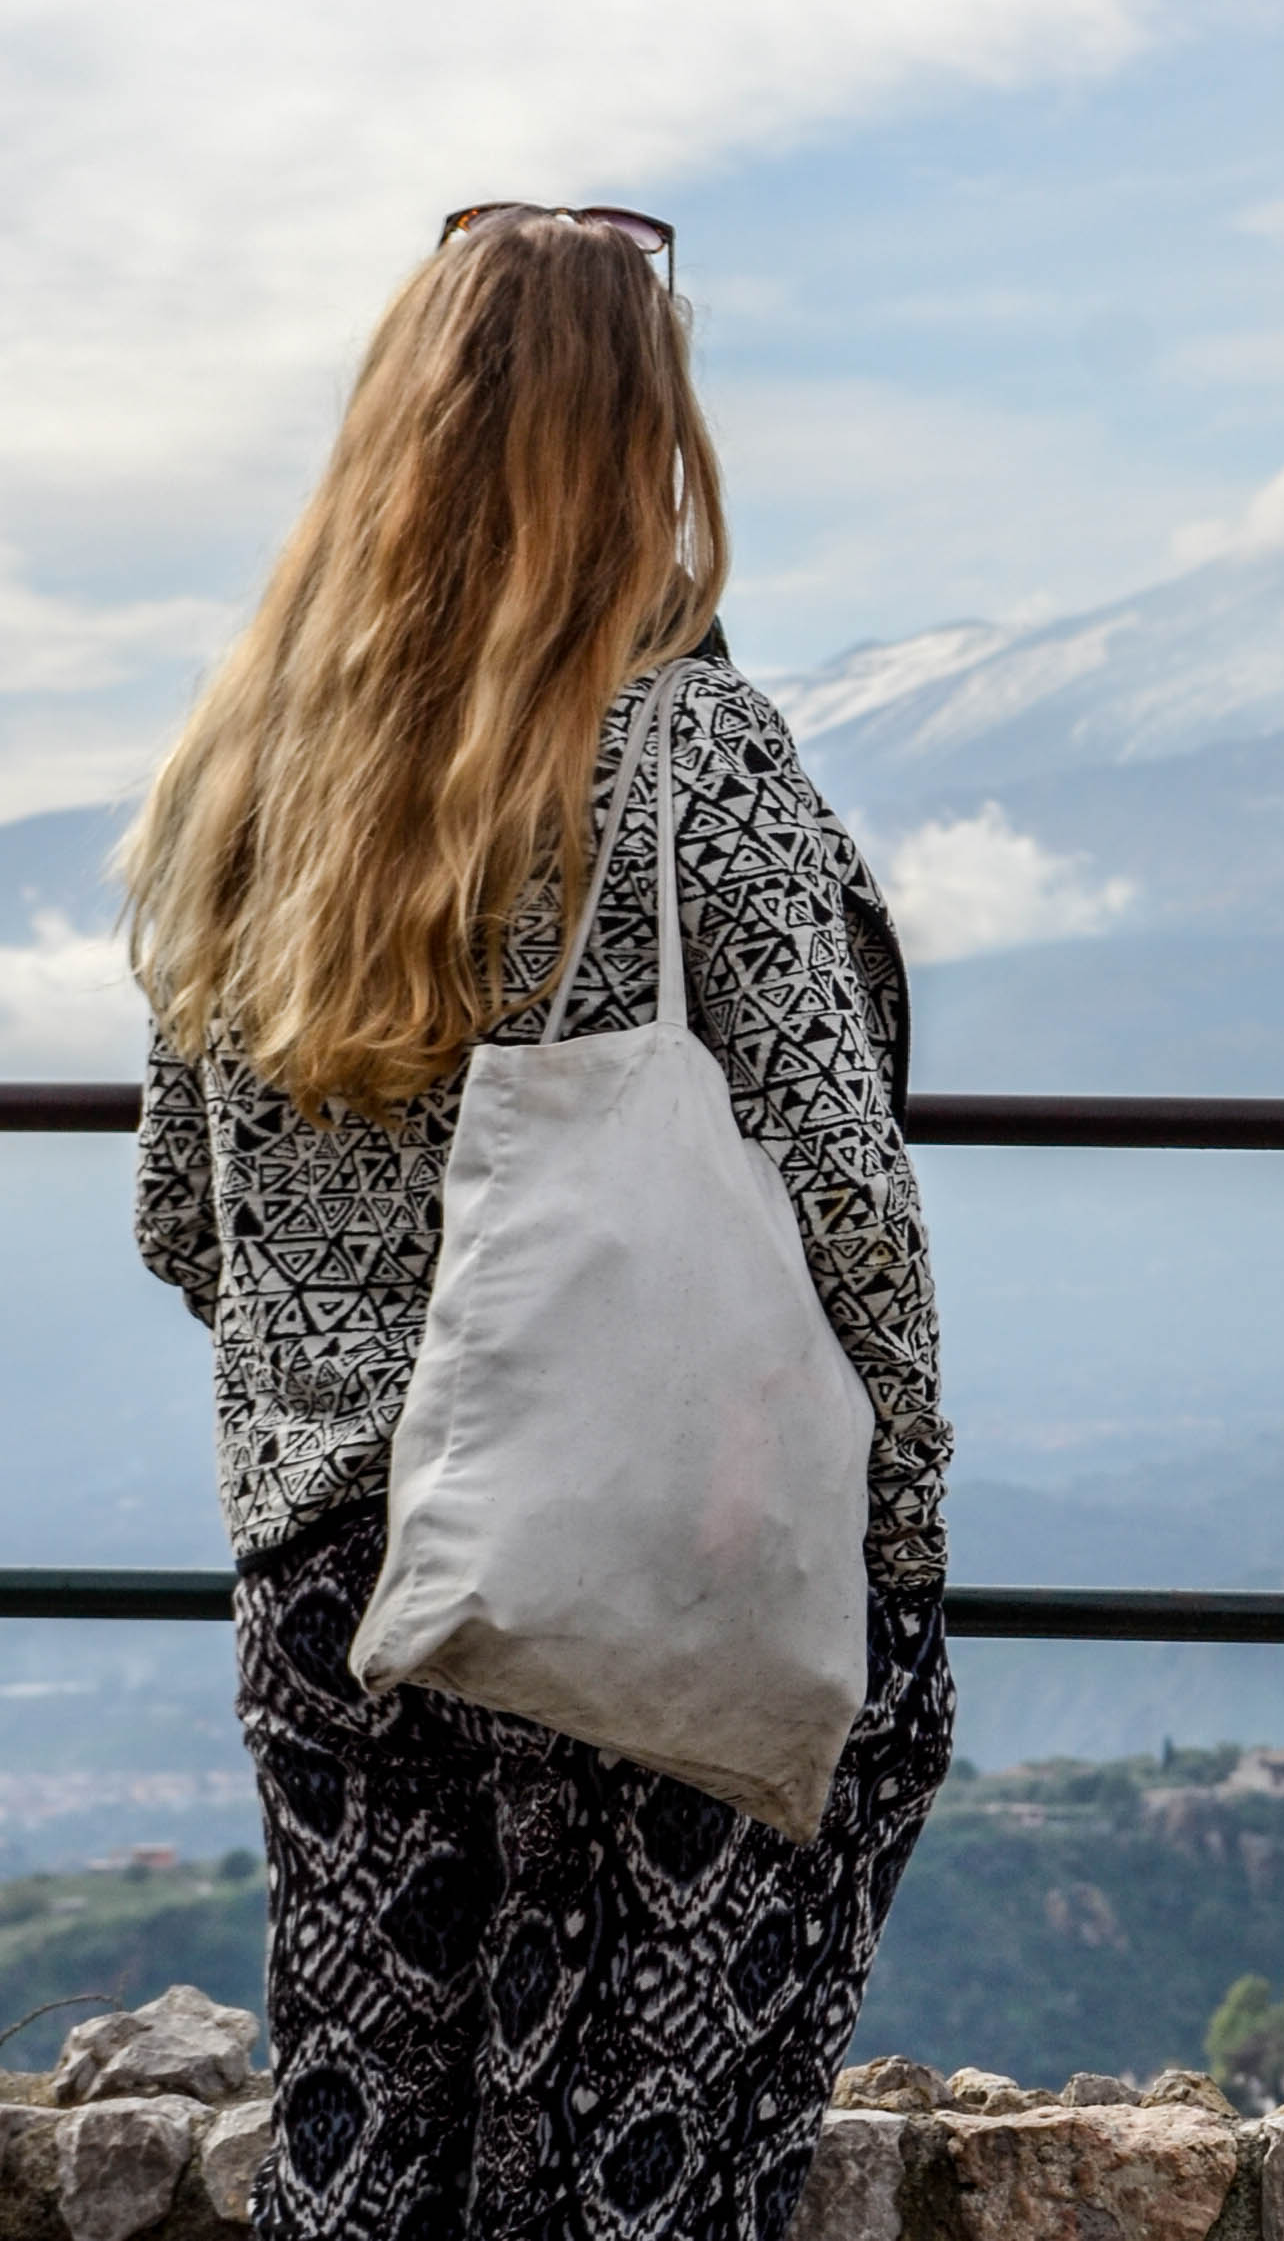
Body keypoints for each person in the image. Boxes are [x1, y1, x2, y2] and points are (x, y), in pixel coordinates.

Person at [124, 204, 953, 2241]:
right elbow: (846, 1196)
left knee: (366, 2133)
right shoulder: (690, 755)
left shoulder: (251, 767)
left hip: (330, 1566)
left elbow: (178, 1215)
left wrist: (341, 1380)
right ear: (647, 435)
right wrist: (903, 1530)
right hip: (648, 1545)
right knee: (637, 2153)